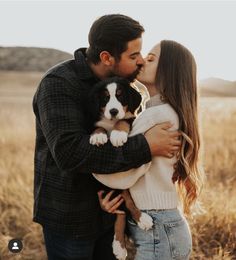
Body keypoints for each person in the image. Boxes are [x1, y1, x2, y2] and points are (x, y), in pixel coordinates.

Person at [32, 14, 181, 260]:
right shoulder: (59, 84)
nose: (141, 61)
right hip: (71, 217)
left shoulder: (127, 88)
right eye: (134, 56)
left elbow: (131, 135)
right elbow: (70, 154)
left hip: (113, 212)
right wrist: (146, 146)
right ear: (106, 57)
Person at [97, 40, 205, 260]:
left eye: (151, 58)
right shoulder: (164, 111)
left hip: (158, 228)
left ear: (169, 71)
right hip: (161, 224)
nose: (141, 60)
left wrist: (93, 168)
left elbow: (124, 173)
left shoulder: (156, 116)